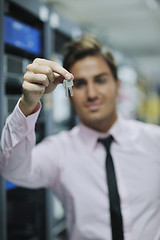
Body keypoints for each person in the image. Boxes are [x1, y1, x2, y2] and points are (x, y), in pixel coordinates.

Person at [0, 34, 160, 240]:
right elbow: (11, 169)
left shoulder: (155, 141)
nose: (92, 93)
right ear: (69, 91)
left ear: (117, 86)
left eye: (100, 80)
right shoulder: (59, 151)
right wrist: (27, 104)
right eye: (81, 84)